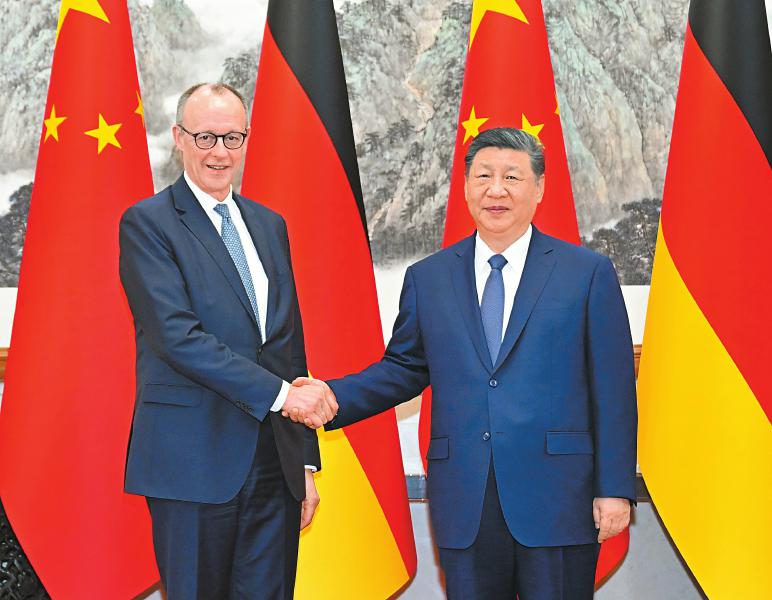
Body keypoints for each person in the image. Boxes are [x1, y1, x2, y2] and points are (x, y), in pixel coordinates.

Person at [290, 128, 637, 599]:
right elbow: (404, 369)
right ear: (466, 187)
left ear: (539, 188)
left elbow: (613, 391)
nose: (497, 190)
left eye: (512, 177)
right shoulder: (429, 278)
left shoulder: (587, 273)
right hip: (465, 496)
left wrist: (614, 487)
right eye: (484, 176)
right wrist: (332, 397)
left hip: (559, 495)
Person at [119, 82, 337, 600]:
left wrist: (303, 462)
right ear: (179, 137)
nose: (219, 152)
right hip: (192, 463)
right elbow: (178, 338)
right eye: (205, 137)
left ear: (246, 139)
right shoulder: (148, 224)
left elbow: (287, 347)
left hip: (274, 465)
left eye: (232, 138)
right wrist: (284, 397)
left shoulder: (269, 225)